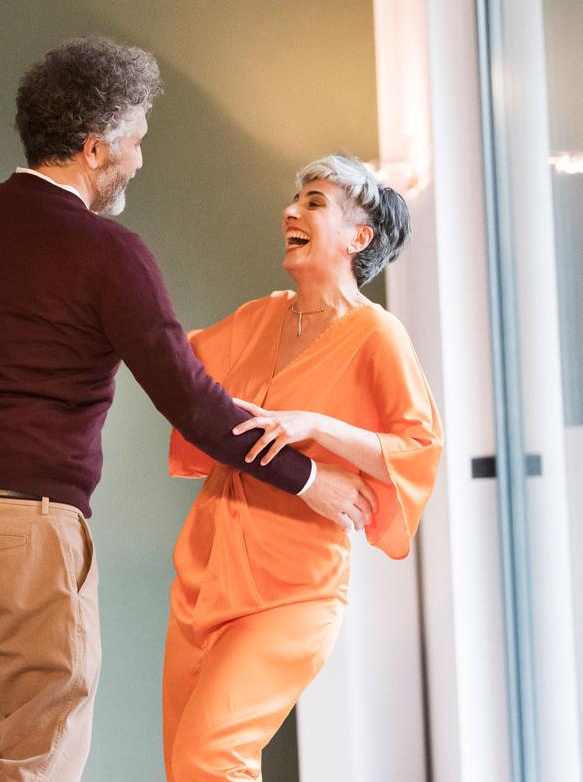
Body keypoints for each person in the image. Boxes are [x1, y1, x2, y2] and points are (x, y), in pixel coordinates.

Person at [0, 39, 376, 781]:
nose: (138, 158)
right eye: (134, 140)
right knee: (41, 757)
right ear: (95, 147)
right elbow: (191, 402)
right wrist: (306, 477)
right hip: (24, 527)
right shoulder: (106, 250)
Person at [161, 154, 444, 781]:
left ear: (358, 237)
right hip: (206, 572)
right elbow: (175, 372)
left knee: (213, 757)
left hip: (293, 588)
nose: (291, 211)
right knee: (186, 766)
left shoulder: (378, 335)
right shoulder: (262, 315)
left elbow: (419, 447)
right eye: (296, 200)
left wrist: (319, 427)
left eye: (314, 203)